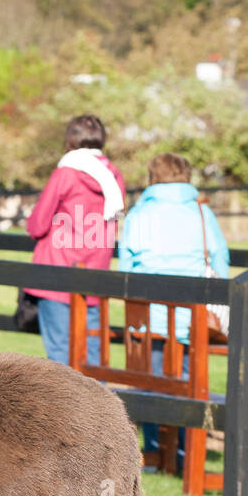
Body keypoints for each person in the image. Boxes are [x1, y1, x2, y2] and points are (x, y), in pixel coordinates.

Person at [119, 152, 230, 465]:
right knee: (187, 380)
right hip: (193, 316)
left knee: (151, 380)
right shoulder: (201, 212)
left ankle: (155, 449)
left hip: (150, 315)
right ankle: (184, 447)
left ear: (153, 178)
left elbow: (126, 265)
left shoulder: (139, 214)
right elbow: (220, 259)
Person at [24, 114, 126, 365]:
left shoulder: (66, 173)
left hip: (56, 272)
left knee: (60, 356)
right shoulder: (114, 177)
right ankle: (97, 405)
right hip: (95, 274)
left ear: (70, 139)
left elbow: (37, 226)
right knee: (94, 356)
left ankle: (63, 405)